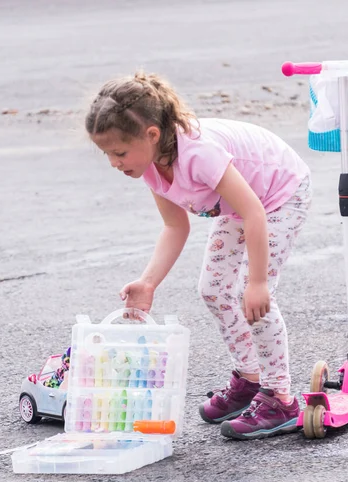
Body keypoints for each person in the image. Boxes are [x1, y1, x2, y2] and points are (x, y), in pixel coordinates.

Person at [85, 70, 311, 440]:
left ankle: (280, 397)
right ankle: (250, 376)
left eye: (119, 152)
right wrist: (148, 282)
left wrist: (256, 283)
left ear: (151, 135)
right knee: (212, 289)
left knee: (249, 297)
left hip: (280, 195)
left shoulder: (199, 154)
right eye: (107, 154)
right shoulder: (151, 167)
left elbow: (254, 212)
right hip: (242, 207)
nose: (114, 162)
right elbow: (176, 227)